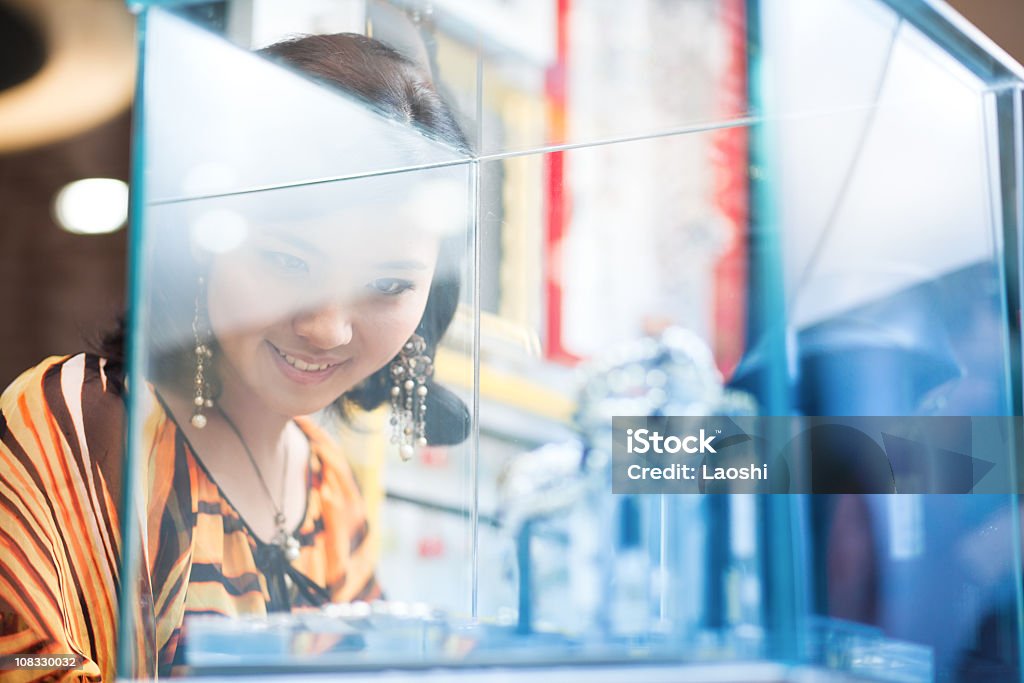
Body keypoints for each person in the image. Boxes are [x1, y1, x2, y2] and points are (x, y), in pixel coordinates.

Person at [0, 32, 469, 680]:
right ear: (203, 240)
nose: (327, 327)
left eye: (387, 285)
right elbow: (25, 659)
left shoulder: (327, 484)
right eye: (287, 261)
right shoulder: (78, 422)